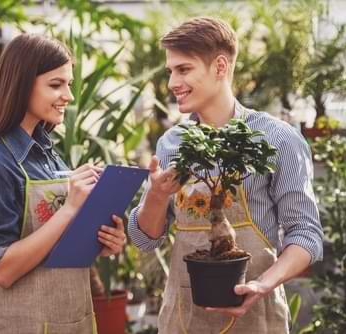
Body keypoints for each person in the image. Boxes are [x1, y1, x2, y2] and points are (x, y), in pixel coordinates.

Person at [128, 17, 323, 333]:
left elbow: (306, 234)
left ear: (220, 67)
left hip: (256, 317)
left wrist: (262, 284)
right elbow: (145, 239)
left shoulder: (278, 139)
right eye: (170, 71)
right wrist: (156, 195)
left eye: (184, 69)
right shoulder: (172, 143)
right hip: (182, 319)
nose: (172, 83)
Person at [0, 34, 127, 333]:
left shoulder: (46, 153)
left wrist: (100, 241)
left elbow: (53, 243)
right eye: (55, 84)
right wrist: (70, 208)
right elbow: (3, 271)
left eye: (69, 84)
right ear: (21, 84)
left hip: (71, 320)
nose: (69, 96)